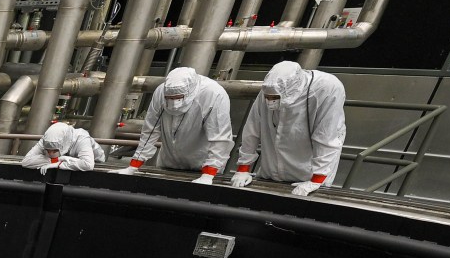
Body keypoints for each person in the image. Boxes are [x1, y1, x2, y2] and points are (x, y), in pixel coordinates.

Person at [232, 60, 347, 197]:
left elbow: (326, 136)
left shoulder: (327, 88)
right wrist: (243, 168)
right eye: (268, 97)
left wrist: (316, 180)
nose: (270, 101)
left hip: (309, 173)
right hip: (271, 170)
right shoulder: (270, 89)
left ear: (292, 89)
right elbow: (252, 129)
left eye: (274, 98)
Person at [118, 68, 232, 183]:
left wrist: (208, 174)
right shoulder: (161, 92)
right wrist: (134, 165)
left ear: (190, 92)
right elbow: (150, 130)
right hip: (168, 163)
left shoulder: (213, 94)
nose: (174, 104)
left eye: (178, 98)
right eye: (169, 99)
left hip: (202, 166)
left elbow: (220, 137)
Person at [22, 120, 105, 174]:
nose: (50, 154)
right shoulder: (46, 139)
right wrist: (57, 160)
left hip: (96, 164)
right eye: (47, 150)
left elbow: (88, 165)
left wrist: (59, 164)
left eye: (54, 151)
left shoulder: (82, 138)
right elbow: (26, 161)